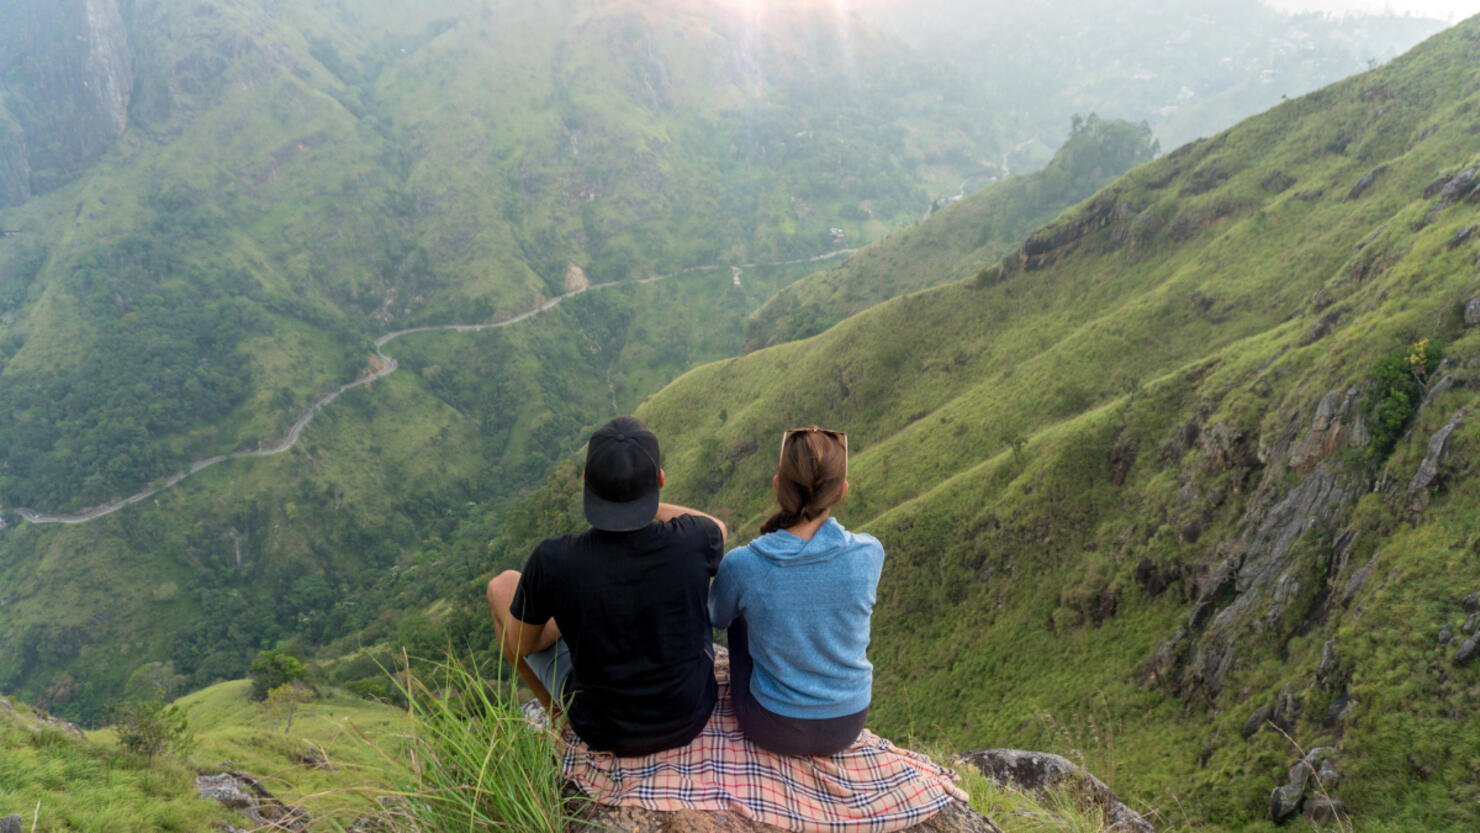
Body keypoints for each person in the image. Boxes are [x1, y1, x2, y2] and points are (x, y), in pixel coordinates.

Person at [487, 416, 728, 756]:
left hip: (602, 730)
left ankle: (558, 718)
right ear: (659, 480)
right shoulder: (695, 540)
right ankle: (559, 717)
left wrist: (566, 619)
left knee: (500, 587)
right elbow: (717, 525)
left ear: (586, 480)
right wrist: (643, 500)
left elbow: (522, 644)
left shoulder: (553, 560)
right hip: (688, 715)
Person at [708, 426, 883, 757]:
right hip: (847, 724)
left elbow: (716, 616)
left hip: (770, 725)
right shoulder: (870, 553)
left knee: (740, 611)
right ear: (842, 491)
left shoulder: (744, 563)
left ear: (778, 486)